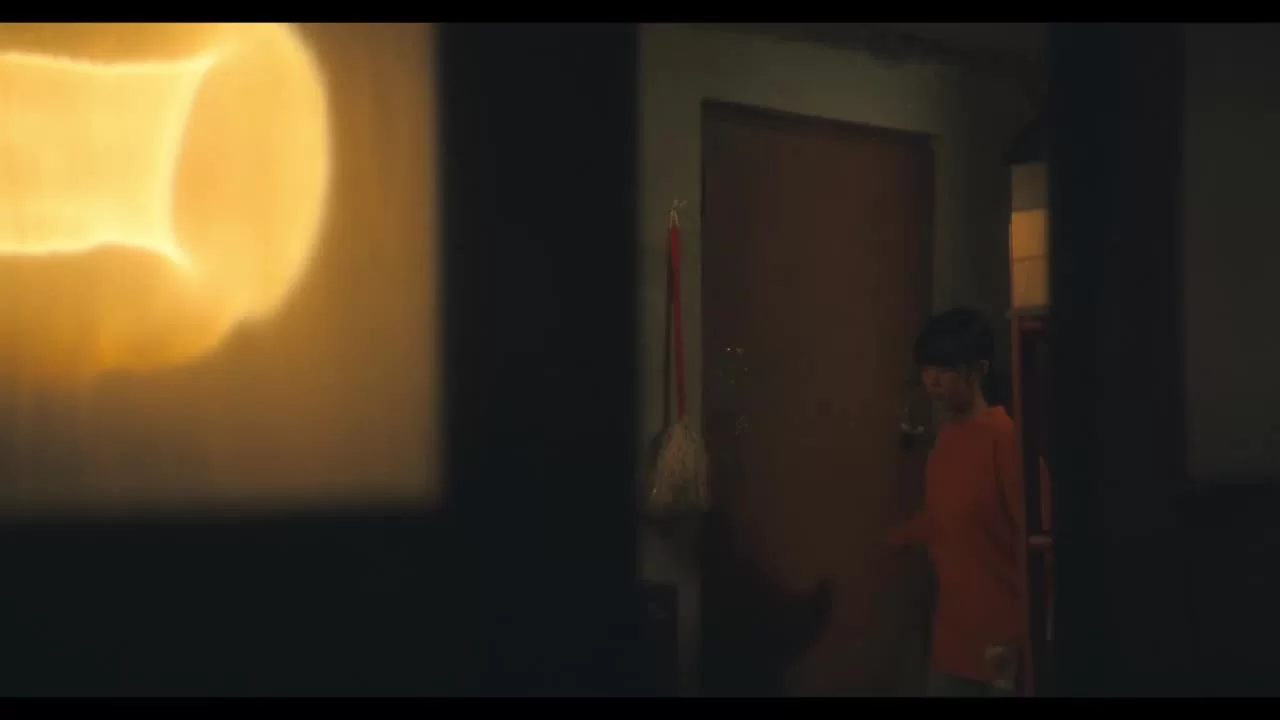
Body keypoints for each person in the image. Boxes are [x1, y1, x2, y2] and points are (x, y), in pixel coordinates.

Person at [886, 307, 1051, 697]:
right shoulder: (945, 442)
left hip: (1003, 639)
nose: (932, 381)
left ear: (977, 371)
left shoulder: (1005, 440)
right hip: (954, 633)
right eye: (926, 370)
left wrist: (1032, 633)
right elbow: (944, 517)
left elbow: (1041, 534)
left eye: (943, 369)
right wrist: (891, 539)